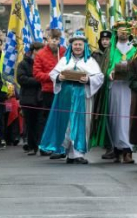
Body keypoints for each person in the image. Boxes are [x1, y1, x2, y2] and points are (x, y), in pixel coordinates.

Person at [40, 31, 104, 164]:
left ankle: (78, 153)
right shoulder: (64, 60)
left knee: (81, 124)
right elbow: (53, 74)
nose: (78, 47)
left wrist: (88, 79)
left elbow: (99, 77)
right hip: (66, 97)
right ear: (71, 46)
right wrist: (59, 77)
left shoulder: (90, 61)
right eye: (75, 44)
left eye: (80, 44)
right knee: (66, 123)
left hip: (82, 97)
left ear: (84, 46)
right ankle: (66, 151)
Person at [107, 23, 137, 163]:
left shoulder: (135, 48)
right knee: (116, 117)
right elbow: (106, 66)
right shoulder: (111, 49)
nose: (123, 33)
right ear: (116, 33)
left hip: (129, 88)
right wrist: (110, 73)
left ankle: (128, 150)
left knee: (128, 117)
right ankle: (116, 148)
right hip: (115, 87)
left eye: (126, 31)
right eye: (120, 31)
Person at [33, 29, 66, 157]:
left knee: (62, 119)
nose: (54, 41)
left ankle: (60, 145)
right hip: (48, 91)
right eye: (52, 38)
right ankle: (44, 145)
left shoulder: (64, 52)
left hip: (63, 90)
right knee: (47, 119)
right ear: (47, 39)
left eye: (57, 39)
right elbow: (37, 74)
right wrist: (52, 77)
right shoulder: (41, 54)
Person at [18, 41, 45, 156]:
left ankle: (41, 145)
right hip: (28, 98)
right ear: (33, 51)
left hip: (40, 97)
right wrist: (38, 80)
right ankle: (31, 145)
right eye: (39, 50)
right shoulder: (23, 63)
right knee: (30, 123)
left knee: (40, 122)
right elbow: (21, 79)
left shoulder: (43, 62)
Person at [91, 30, 114, 158]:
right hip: (98, 89)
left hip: (110, 87)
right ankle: (106, 145)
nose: (105, 41)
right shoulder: (95, 55)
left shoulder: (113, 53)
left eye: (108, 39)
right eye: (103, 39)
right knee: (100, 118)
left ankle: (112, 146)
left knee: (111, 118)